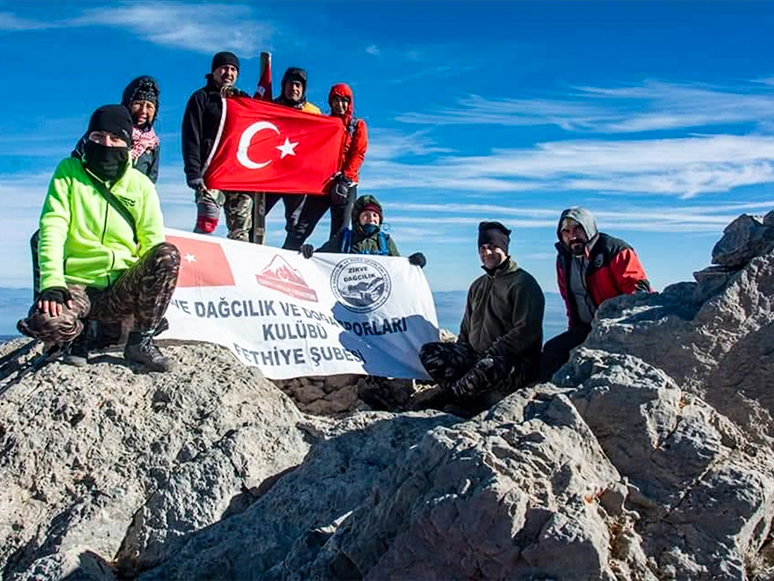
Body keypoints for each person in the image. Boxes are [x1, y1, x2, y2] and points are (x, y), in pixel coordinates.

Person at [17, 105, 180, 372]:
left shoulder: (141, 186)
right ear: (87, 137)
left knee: (166, 254)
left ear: (127, 143)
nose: (106, 144)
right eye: (97, 136)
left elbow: (152, 242)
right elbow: (53, 225)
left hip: (120, 288)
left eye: (115, 139)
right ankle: (76, 336)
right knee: (45, 322)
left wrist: (147, 304)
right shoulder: (68, 171)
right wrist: (53, 284)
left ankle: (140, 342)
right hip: (76, 287)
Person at [414, 221, 544, 418]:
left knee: (485, 367)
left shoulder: (523, 284)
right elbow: (466, 327)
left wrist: (491, 353)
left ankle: (454, 398)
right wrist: (461, 353)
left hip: (512, 363)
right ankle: (461, 393)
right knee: (430, 352)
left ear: (504, 249)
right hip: (477, 356)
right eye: (482, 248)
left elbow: (526, 332)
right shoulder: (478, 285)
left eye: (493, 247)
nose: (487, 253)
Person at [540, 207, 651, 380]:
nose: (573, 236)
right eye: (566, 231)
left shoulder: (614, 250)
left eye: (578, 229)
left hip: (619, 330)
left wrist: (618, 330)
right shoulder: (564, 260)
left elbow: (638, 293)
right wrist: (573, 332)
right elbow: (570, 302)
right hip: (587, 329)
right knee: (552, 350)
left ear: (589, 228)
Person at [181, 51, 253, 240]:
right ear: (214, 71)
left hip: (238, 175)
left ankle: (238, 266)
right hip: (210, 172)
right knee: (207, 223)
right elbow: (191, 135)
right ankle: (199, 263)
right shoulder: (201, 98)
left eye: (233, 69)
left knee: (241, 231)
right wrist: (193, 171)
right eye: (224, 68)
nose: (229, 73)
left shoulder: (243, 100)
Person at [290, 83, 368, 245]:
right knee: (302, 227)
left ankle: (332, 267)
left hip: (345, 185)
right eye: (336, 100)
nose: (340, 105)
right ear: (330, 102)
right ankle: (283, 258)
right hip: (323, 183)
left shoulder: (357, 125)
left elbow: (358, 154)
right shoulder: (324, 123)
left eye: (344, 101)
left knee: (340, 233)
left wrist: (345, 180)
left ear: (350, 102)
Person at [265, 67, 322, 250]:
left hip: (297, 177)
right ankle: (252, 249)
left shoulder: (313, 112)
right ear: (284, 86)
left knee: (295, 222)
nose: (294, 89)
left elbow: (322, 141)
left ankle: (289, 253)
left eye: (298, 85)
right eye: (291, 84)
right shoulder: (271, 106)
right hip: (270, 174)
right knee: (256, 213)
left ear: (303, 89)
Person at [73, 76, 161, 183]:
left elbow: (151, 178)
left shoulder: (152, 144)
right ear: (128, 104)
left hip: (133, 197)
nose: (143, 111)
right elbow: (77, 159)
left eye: (149, 106)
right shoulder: (107, 129)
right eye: (138, 104)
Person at [300, 195, 426, 266]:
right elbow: (319, 258)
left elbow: (398, 267)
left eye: (375, 215)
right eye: (366, 215)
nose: (371, 218)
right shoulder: (344, 239)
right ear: (357, 219)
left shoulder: (385, 241)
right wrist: (308, 251)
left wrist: (414, 262)